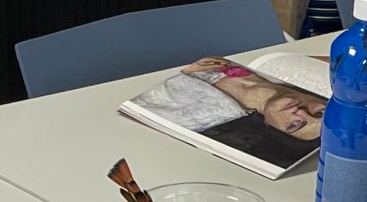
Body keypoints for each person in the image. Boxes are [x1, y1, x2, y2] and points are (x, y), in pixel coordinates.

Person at [132, 57, 325, 140]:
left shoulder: (206, 114)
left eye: (294, 125)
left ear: (270, 125)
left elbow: (135, 106)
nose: (300, 112)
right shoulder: (282, 73)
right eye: (319, 112)